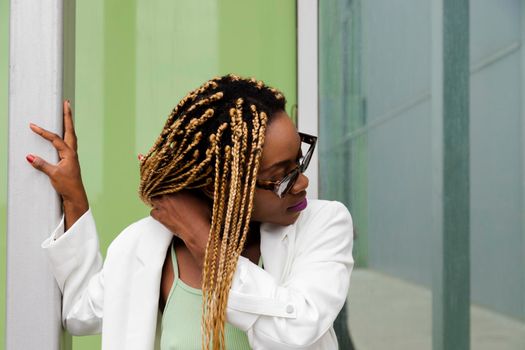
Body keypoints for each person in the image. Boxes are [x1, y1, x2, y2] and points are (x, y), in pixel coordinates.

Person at [27, 75, 354, 350]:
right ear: (219, 187)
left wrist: (199, 235)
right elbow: (80, 313)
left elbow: (298, 329)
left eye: (299, 161)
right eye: (282, 175)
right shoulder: (146, 246)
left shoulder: (323, 224)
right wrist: (75, 199)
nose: (302, 182)